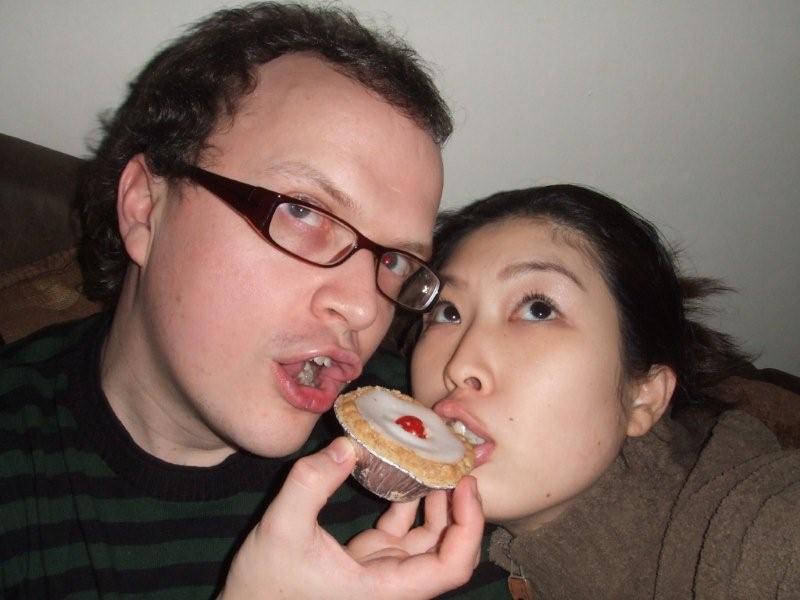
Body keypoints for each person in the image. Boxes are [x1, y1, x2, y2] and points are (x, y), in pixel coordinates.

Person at [0, 3, 509, 598]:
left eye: (394, 261)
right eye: (304, 211)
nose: (366, 308)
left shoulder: (417, 452)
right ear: (145, 207)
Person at [408, 185, 800, 598]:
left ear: (643, 395)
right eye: (447, 312)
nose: (459, 366)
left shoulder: (759, 528)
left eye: (538, 309)